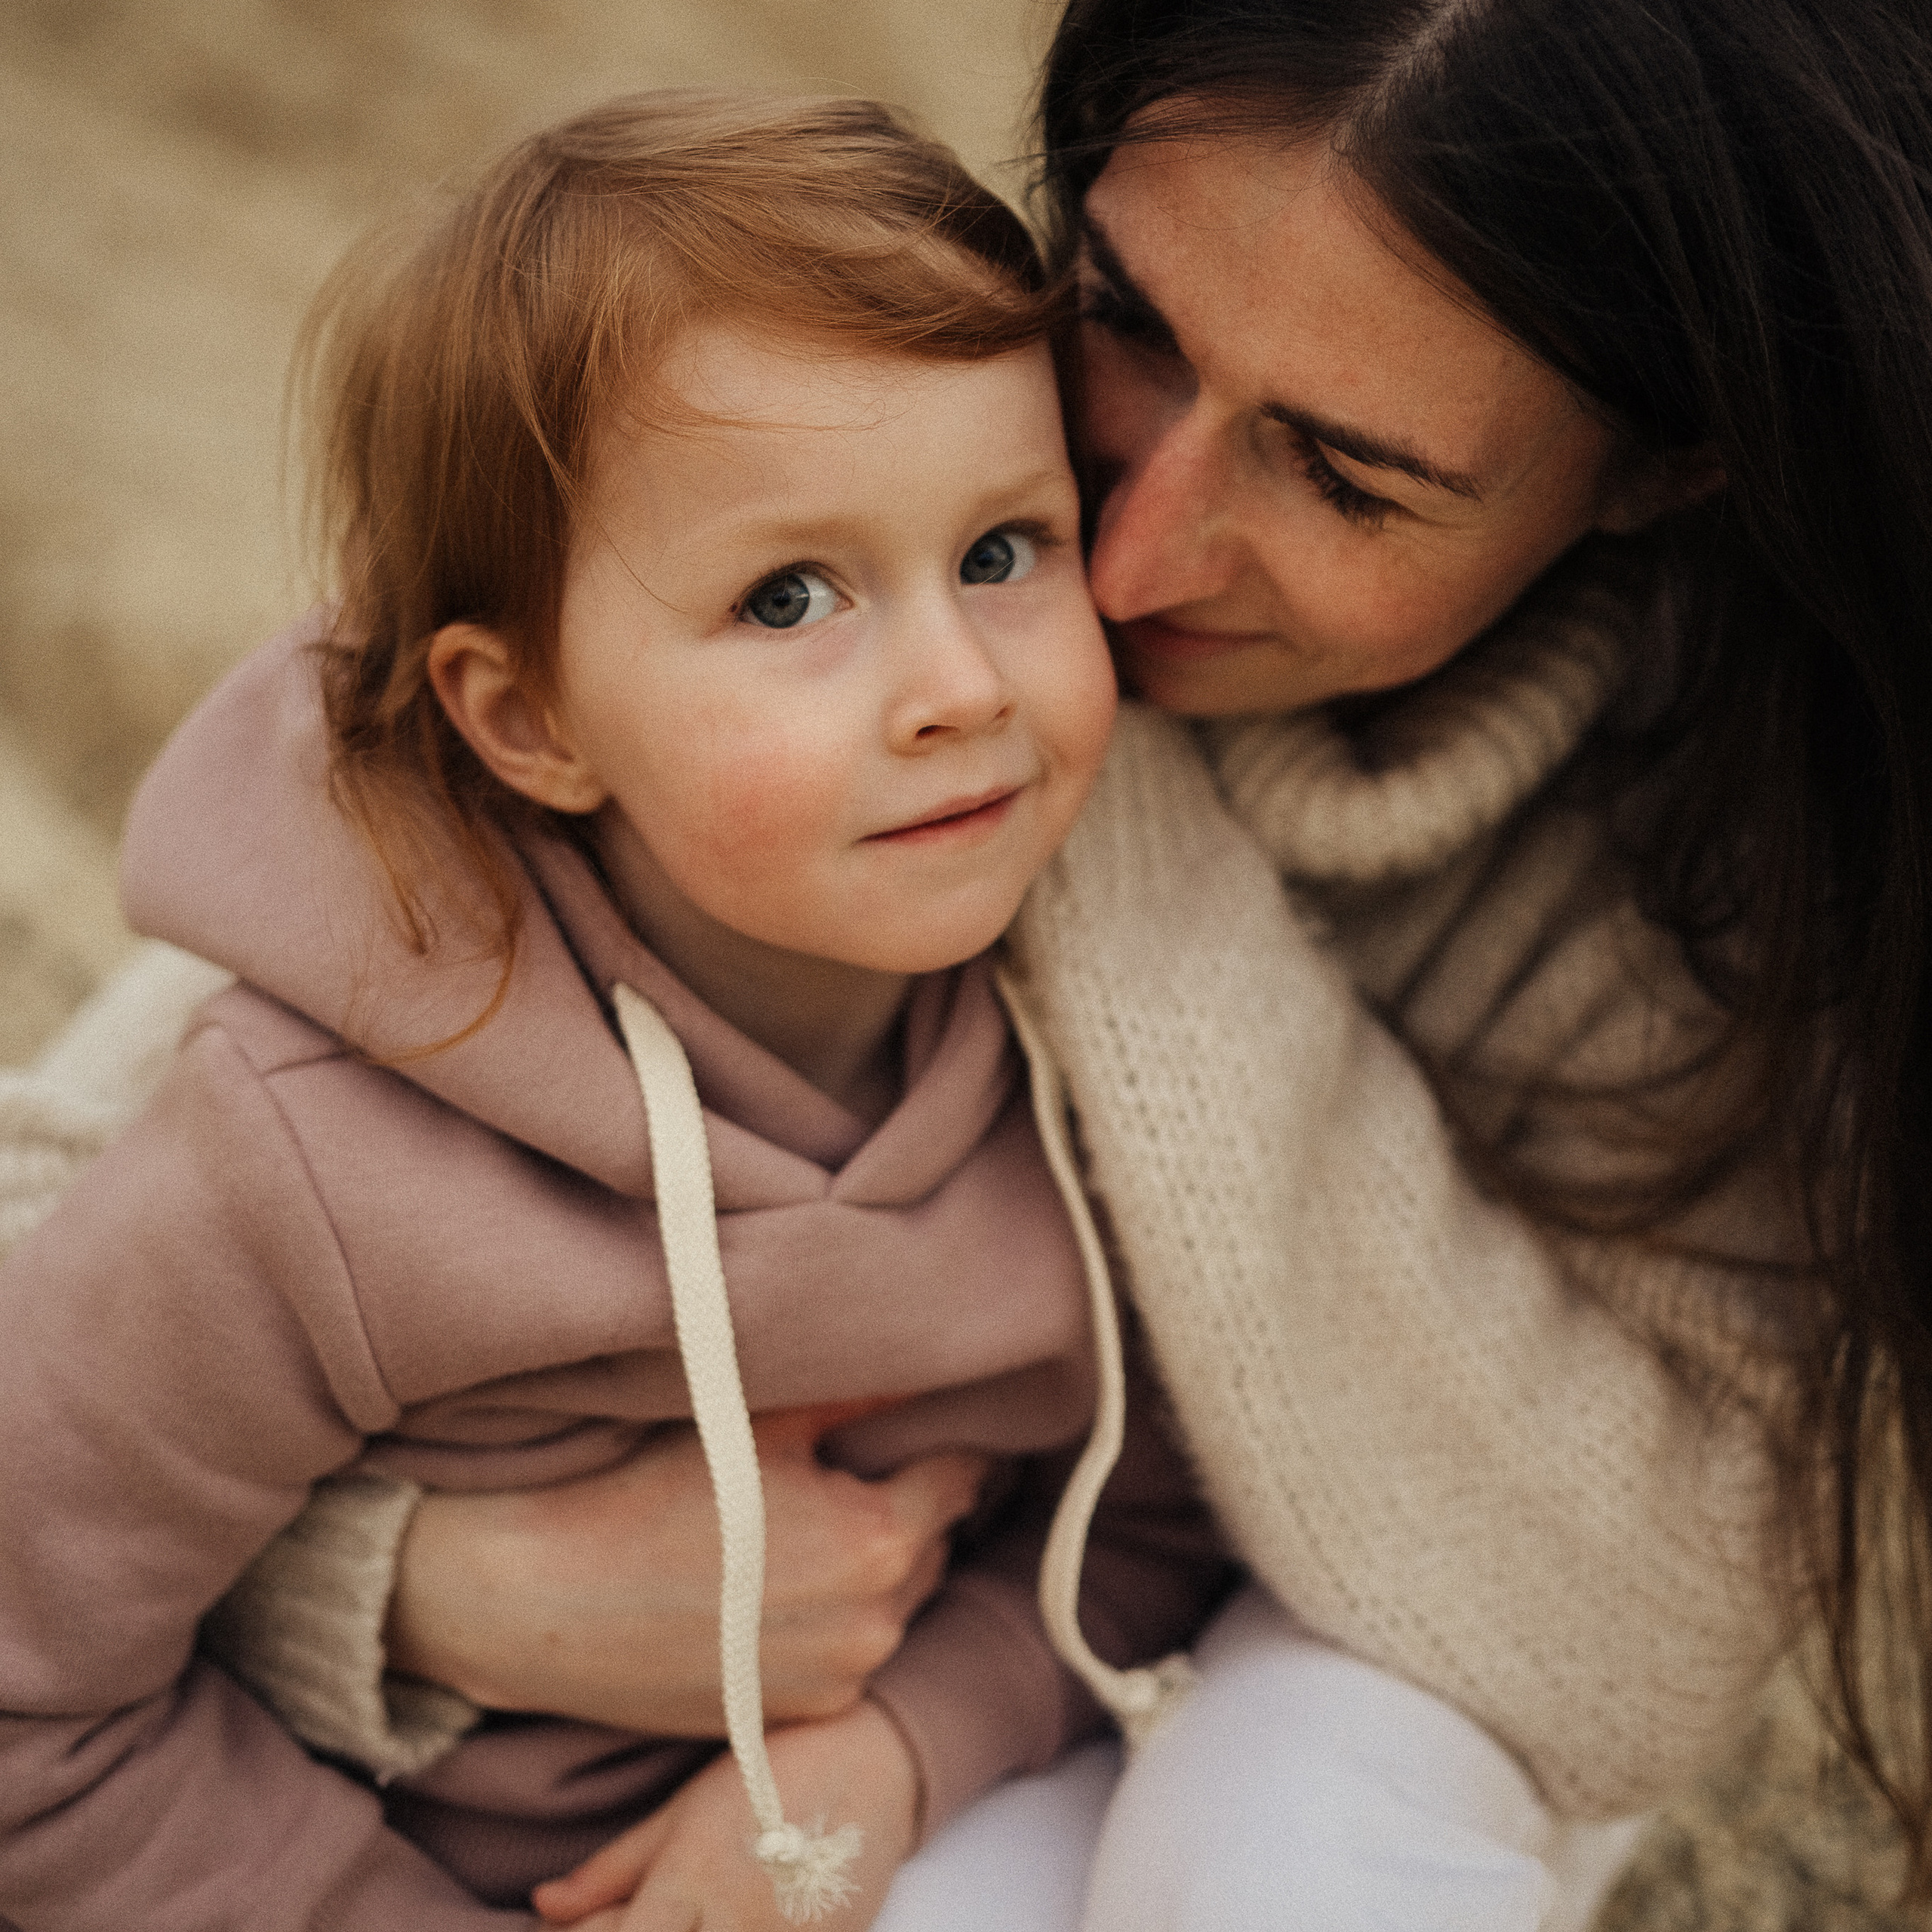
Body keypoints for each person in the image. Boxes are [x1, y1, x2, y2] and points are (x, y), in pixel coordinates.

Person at [205, 0, 1932, 1927]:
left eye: (1343, 475)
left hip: (1337, 1663)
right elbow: (100, 1200)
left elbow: (1638, 1630)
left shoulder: (1792, 854)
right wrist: (417, 1586)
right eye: (1123, 318)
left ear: (1661, 470)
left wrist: (1106, 823)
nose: (1122, 558)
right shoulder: (824, 473)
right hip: (916, 1641)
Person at [0, 91, 1241, 1932]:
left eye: (1001, 549)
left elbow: (1165, 1507)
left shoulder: (1110, 1041)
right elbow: (31, 1700)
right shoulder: (299, 1161)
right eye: (789, 595)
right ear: (531, 721)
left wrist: (909, 1735)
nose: (959, 686)